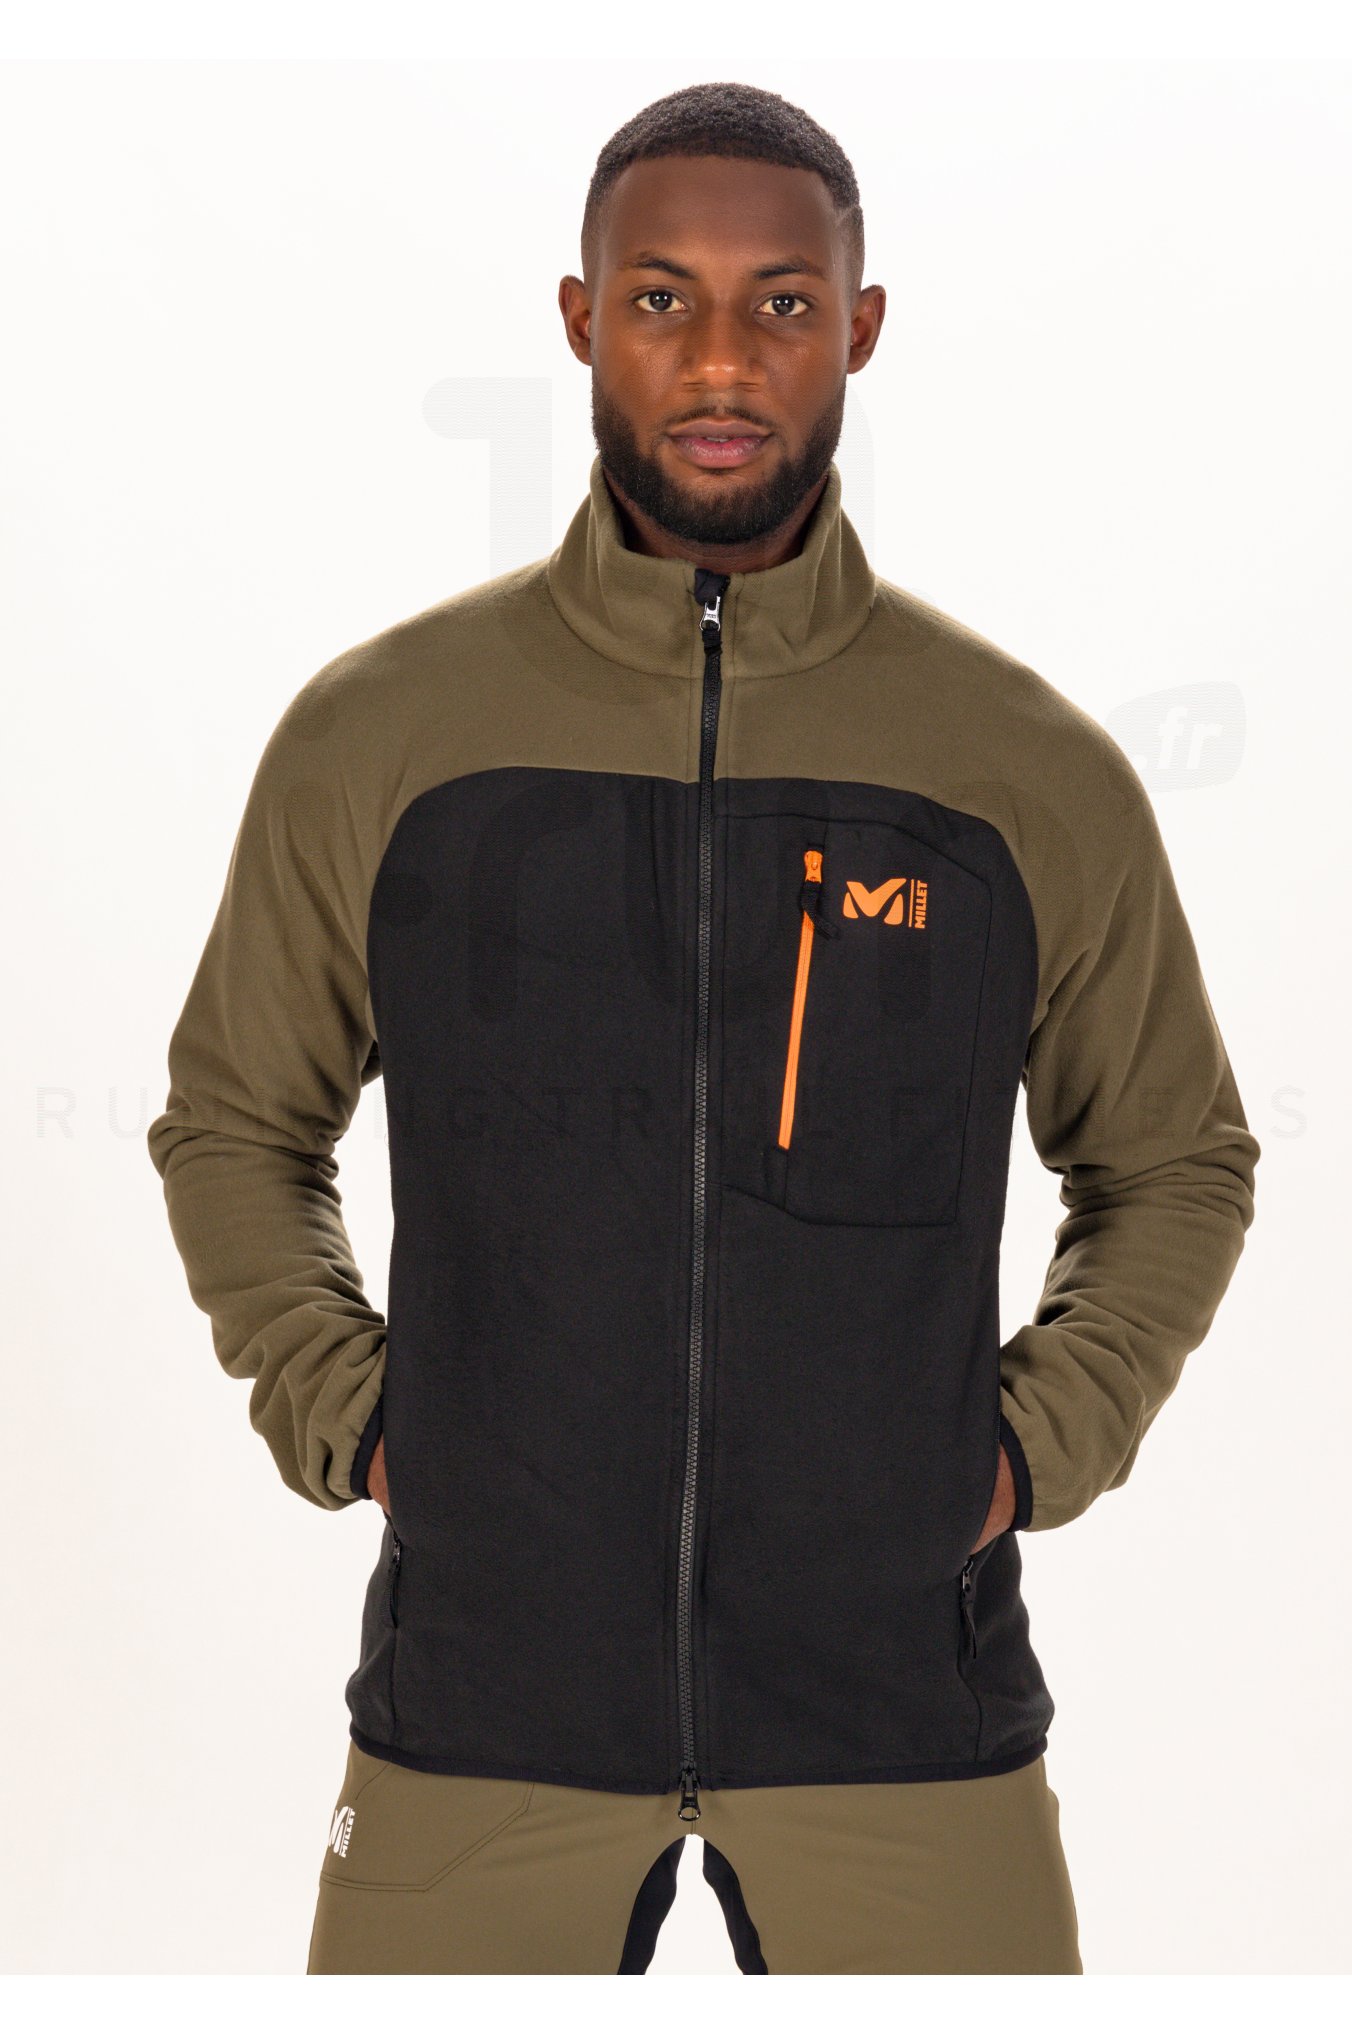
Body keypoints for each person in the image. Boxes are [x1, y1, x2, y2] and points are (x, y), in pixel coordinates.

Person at [146, 80, 1260, 1975]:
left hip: (906, 1720)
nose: (723, 360)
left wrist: (1015, 1458)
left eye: (783, 304)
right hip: (479, 1712)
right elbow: (235, 1122)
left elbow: (1174, 1161)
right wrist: (366, 1421)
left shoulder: (1020, 768)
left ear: (862, 327)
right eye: (662, 299)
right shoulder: (385, 735)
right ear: (581, 317)